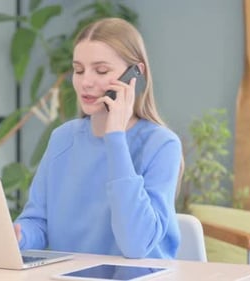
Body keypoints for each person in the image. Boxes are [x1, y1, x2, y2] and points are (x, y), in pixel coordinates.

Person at [13, 17, 183, 259]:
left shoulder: (162, 145)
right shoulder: (62, 139)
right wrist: (18, 236)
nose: (86, 82)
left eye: (101, 70)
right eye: (79, 70)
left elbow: (136, 245)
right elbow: (38, 223)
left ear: (135, 74)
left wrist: (115, 137)